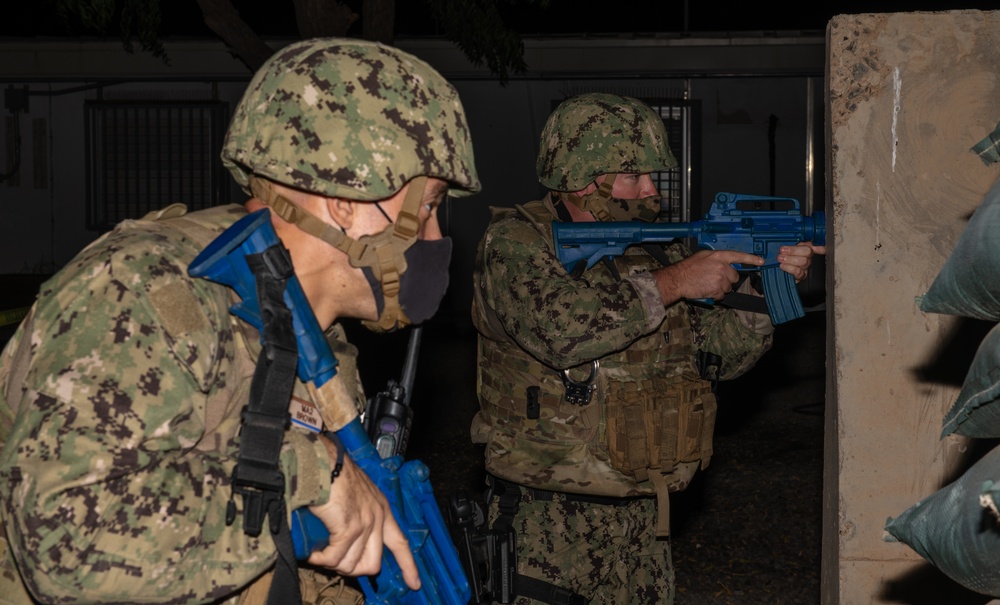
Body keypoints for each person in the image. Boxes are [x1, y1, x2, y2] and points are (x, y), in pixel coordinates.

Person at [0, 38, 479, 604]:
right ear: (348, 200)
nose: (434, 238)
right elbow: (64, 540)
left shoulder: (316, 341)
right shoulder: (146, 292)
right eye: (426, 207)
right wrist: (313, 471)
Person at [469, 92, 823, 604]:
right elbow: (562, 333)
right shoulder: (515, 245)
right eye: (637, 175)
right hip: (546, 520)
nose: (652, 188)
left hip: (643, 517)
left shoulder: (660, 249)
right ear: (585, 177)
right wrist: (675, 282)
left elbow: (715, 359)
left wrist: (761, 289)